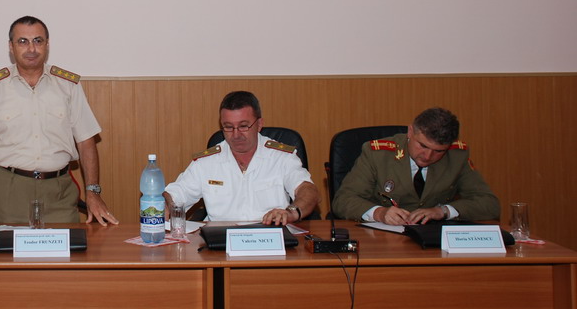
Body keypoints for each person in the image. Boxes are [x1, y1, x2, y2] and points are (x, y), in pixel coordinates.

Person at [0, 15, 118, 227]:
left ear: (47, 45)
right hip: (9, 191)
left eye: (38, 41)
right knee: (8, 247)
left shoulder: (68, 86)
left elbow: (86, 142)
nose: (31, 48)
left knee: (67, 246)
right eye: (23, 41)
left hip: (59, 190)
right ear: (11, 46)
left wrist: (93, 192)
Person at [164, 91, 320, 224]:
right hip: (221, 242)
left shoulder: (281, 157)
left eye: (243, 126)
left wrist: (291, 212)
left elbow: (308, 191)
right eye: (228, 127)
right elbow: (176, 195)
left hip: (270, 237)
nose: (236, 134)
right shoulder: (206, 163)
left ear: (259, 124)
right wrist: (164, 205)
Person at [332, 107, 500, 224]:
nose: (428, 156)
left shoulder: (457, 156)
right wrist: (379, 213)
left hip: (434, 240)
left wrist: (444, 211)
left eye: (439, 151)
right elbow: (343, 201)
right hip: (384, 237)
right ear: (410, 132)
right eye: (423, 146)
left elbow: (489, 204)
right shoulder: (377, 154)